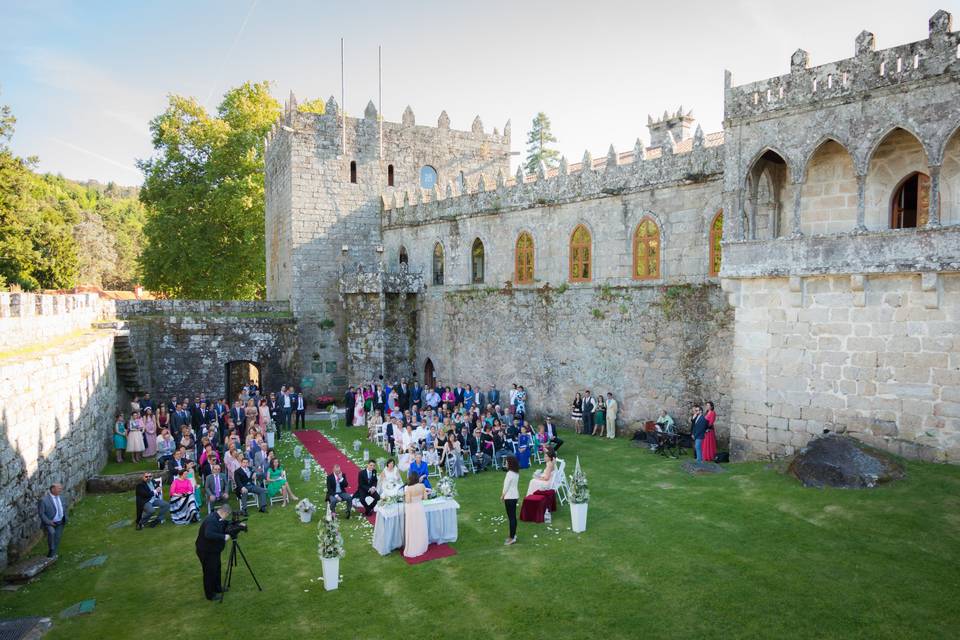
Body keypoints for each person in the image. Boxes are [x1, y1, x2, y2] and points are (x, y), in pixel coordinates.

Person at [196, 502, 231, 601]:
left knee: (217, 568)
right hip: (206, 551)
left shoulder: (217, 517)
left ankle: (218, 587)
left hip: (213, 550)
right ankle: (210, 595)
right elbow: (208, 534)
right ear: (224, 512)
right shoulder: (211, 520)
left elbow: (224, 522)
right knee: (209, 572)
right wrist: (223, 537)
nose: (227, 517)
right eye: (227, 515)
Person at [403, 473, 429, 558]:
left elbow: (408, 501)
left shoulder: (408, 488)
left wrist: (404, 496)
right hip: (420, 507)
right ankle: (421, 546)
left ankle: (414, 546)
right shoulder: (422, 486)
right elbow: (425, 498)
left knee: (413, 527)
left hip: (412, 509)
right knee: (420, 526)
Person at [38, 483, 67, 557]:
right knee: (52, 533)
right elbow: (41, 513)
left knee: (57, 538)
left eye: (61, 488)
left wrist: (65, 517)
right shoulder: (44, 500)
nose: (61, 490)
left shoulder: (62, 497)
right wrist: (49, 522)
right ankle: (51, 550)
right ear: (52, 489)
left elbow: (64, 507)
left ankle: (53, 554)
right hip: (50, 522)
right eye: (59, 488)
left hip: (60, 522)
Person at [501, 455, 520, 545]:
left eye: (506, 462)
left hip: (509, 497)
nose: (506, 464)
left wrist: (502, 495)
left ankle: (512, 537)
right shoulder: (516, 473)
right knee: (513, 517)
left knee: (511, 518)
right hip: (515, 496)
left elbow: (506, 486)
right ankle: (513, 535)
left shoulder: (509, 474)